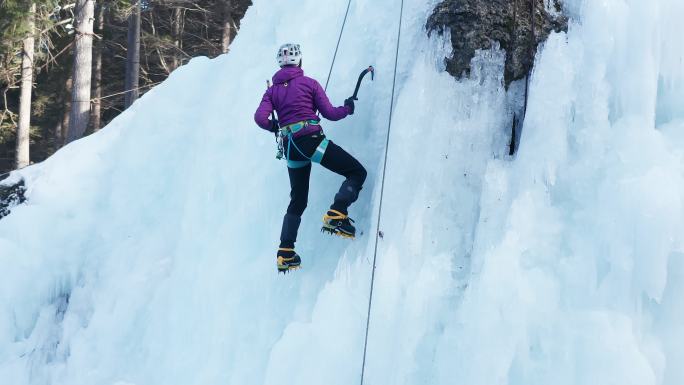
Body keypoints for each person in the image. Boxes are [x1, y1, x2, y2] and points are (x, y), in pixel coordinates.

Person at [254, 43, 367, 273]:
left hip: (290, 148)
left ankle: (285, 252)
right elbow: (331, 115)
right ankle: (338, 211)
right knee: (356, 172)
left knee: (298, 199)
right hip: (312, 142)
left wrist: (276, 125)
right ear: (300, 62)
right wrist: (348, 108)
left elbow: (259, 118)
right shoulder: (309, 84)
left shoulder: (271, 91)